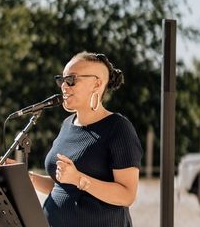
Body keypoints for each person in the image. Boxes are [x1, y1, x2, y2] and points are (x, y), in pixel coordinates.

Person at [28, 52, 143, 227]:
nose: (64, 87)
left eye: (72, 80)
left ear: (97, 84)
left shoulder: (118, 128)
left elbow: (127, 195)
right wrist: (23, 177)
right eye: (62, 80)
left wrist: (79, 179)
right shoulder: (67, 125)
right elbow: (62, 185)